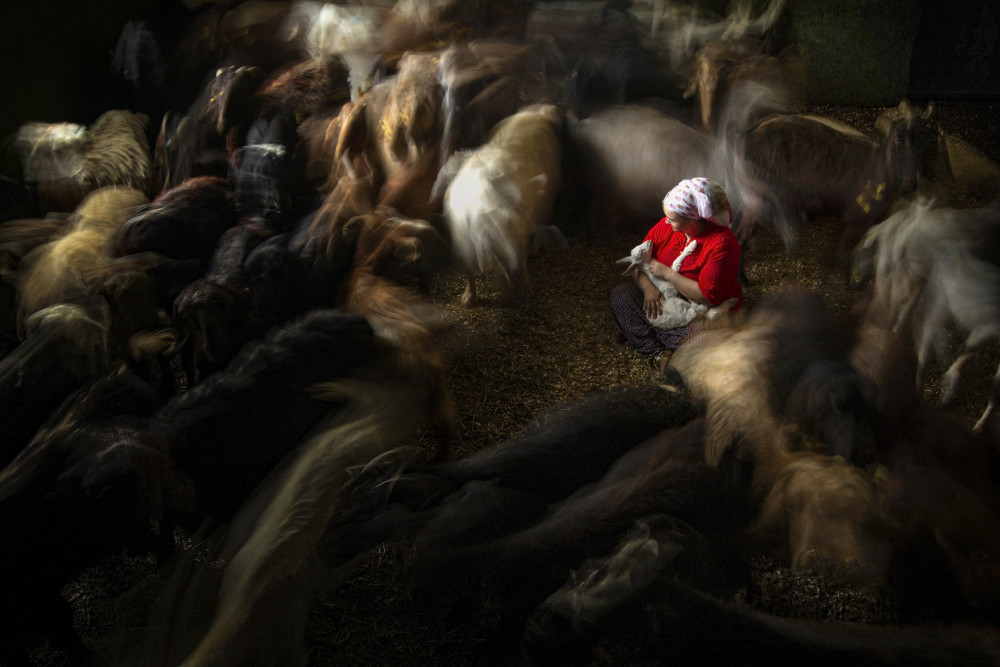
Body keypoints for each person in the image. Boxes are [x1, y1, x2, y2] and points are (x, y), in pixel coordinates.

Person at [610, 177, 742, 371]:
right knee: (621, 295)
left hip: (700, 308)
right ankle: (657, 353)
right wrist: (648, 289)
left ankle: (651, 337)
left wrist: (668, 274)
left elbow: (706, 296)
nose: (666, 222)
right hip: (661, 299)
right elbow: (639, 262)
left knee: (703, 336)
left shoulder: (721, 243)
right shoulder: (666, 226)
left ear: (692, 219)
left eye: (673, 219)